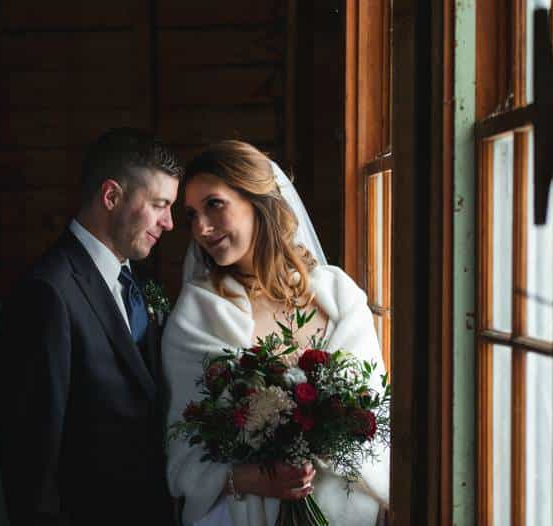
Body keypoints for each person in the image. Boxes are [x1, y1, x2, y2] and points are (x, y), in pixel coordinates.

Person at [163, 140, 389, 525]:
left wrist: (319, 447)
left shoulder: (339, 296)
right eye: (192, 215)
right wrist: (255, 478)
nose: (201, 228)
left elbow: (376, 422)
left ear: (257, 201)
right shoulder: (198, 313)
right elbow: (184, 449)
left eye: (214, 204)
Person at [0, 128, 181, 525]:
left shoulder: (141, 284)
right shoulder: (47, 293)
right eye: (159, 205)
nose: (169, 223)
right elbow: (30, 457)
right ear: (111, 196)